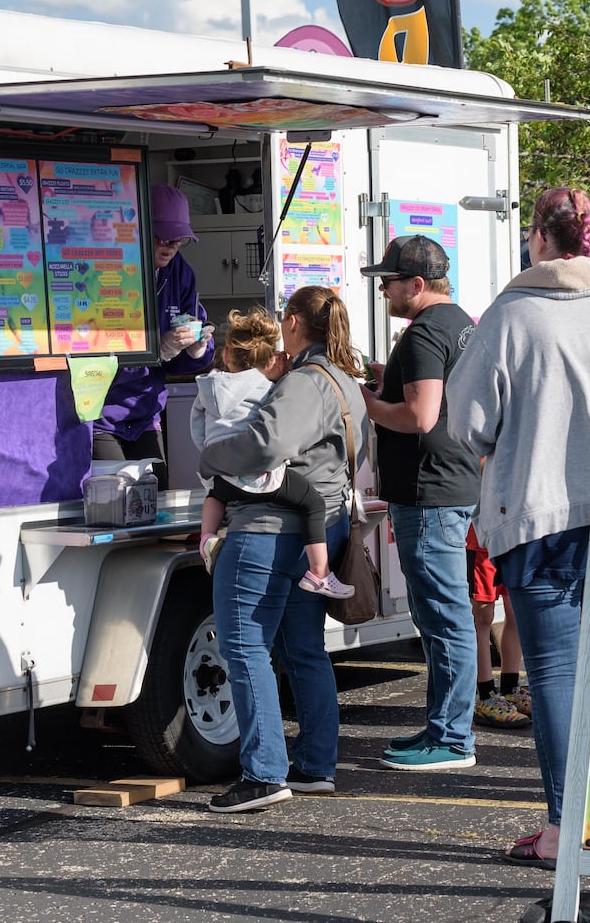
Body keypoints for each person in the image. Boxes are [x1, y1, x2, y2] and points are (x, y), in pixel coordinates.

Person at [447, 186, 590, 867]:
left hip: (538, 517)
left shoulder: (511, 315)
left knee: (553, 675)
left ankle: (561, 827)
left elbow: (467, 424)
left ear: (540, 241)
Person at [198, 285, 369, 812]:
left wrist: (211, 456)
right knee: (304, 650)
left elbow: (266, 444)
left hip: (268, 531)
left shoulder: (303, 383)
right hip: (320, 525)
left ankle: (264, 773)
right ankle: (315, 766)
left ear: (294, 322)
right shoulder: (345, 381)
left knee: (245, 645)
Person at [360, 235, 481, 772]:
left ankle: (452, 739)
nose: (383, 289)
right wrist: (391, 381)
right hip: (454, 483)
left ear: (415, 283)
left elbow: (420, 416)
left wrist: (367, 402)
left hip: (430, 492)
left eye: (388, 281)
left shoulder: (425, 331)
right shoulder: (461, 322)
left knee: (442, 616)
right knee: (442, 615)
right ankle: (442, 729)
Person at [190, 308, 353, 599]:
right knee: (312, 502)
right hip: (259, 478)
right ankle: (319, 572)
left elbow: (197, 427)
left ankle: (207, 538)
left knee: (214, 496)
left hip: (223, 477)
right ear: (270, 362)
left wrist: (211, 455)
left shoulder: (208, 387)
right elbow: (274, 435)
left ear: (227, 355)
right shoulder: (268, 387)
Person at [93, 182, 216, 489]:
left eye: (179, 238)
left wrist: (196, 350)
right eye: (163, 234)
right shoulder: (108, 272)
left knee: (155, 499)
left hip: (146, 413)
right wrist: (156, 352)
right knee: (114, 501)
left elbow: (190, 331)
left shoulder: (180, 273)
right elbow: (94, 357)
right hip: (101, 416)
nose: (171, 244)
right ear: (138, 230)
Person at [468, 523, 531, 730]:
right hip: (481, 539)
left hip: (513, 538)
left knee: (517, 612)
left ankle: (510, 689)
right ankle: (486, 696)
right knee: (482, 618)